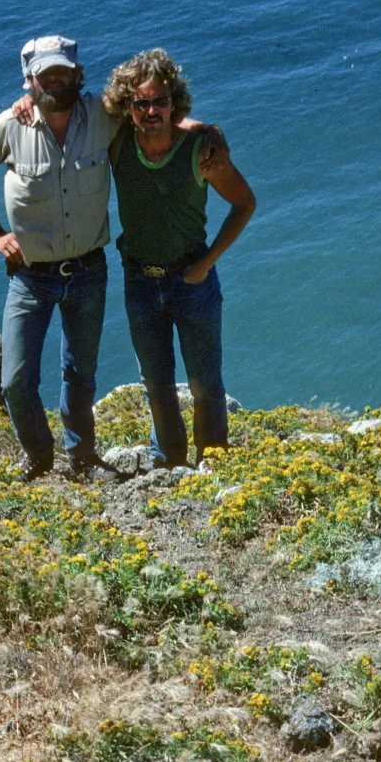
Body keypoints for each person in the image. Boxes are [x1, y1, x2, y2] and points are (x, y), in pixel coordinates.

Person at [0, 36, 224, 481]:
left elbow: (156, 117)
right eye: (45, 75)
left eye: (64, 72)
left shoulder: (103, 116)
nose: (56, 81)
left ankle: (82, 459)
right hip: (29, 276)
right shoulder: (9, 125)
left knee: (80, 376)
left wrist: (208, 131)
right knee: (15, 381)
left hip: (87, 272)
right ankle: (39, 459)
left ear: (78, 75)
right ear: (30, 80)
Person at [104, 49, 256, 467]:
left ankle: (213, 466)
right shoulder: (117, 144)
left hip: (192, 283)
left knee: (205, 385)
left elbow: (244, 203)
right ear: (127, 107)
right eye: (141, 103)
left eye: (160, 101)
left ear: (174, 102)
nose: (151, 111)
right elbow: (69, 118)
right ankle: (166, 467)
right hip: (139, 282)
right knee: (155, 384)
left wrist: (207, 263)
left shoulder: (201, 152)